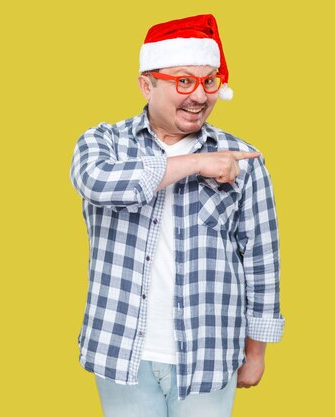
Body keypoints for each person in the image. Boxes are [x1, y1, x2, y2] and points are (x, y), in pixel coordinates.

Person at [70, 14, 284, 417]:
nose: (198, 97)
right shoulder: (103, 143)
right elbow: (97, 182)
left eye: (209, 82)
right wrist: (197, 164)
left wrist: (256, 350)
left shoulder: (245, 158)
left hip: (210, 353)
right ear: (146, 84)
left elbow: (262, 259)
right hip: (120, 350)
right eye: (183, 81)